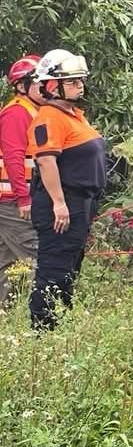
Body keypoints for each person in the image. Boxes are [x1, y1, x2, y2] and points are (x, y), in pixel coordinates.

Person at [27, 50, 106, 330]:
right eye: (72, 82)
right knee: (54, 269)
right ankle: (43, 328)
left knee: (70, 268)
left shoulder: (73, 115)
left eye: (80, 80)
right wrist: (59, 203)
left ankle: (60, 326)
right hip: (62, 204)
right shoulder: (49, 117)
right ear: (52, 86)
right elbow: (46, 161)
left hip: (81, 202)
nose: (79, 86)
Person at [0, 55, 42, 307]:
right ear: (22, 86)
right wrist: (23, 198)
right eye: (39, 83)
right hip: (13, 201)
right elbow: (13, 157)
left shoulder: (34, 111)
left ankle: (5, 314)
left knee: (7, 262)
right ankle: (48, 312)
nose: (45, 87)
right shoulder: (17, 112)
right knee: (38, 255)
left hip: (16, 198)